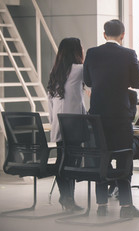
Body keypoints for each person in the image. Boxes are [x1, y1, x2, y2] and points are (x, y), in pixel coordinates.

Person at [83, 19, 139, 218]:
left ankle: (101, 205)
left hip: (97, 116)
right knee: (124, 159)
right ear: (123, 35)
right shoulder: (128, 54)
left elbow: (88, 81)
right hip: (120, 116)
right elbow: (138, 83)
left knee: (100, 158)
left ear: (104, 34)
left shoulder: (92, 53)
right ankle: (126, 207)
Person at [47, 37, 85, 211]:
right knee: (72, 161)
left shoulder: (55, 72)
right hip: (73, 124)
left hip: (59, 123)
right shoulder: (78, 69)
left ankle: (66, 197)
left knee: (62, 160)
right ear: (76, 51)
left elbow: (50, 102)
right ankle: (67, 198)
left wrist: (52, 122)